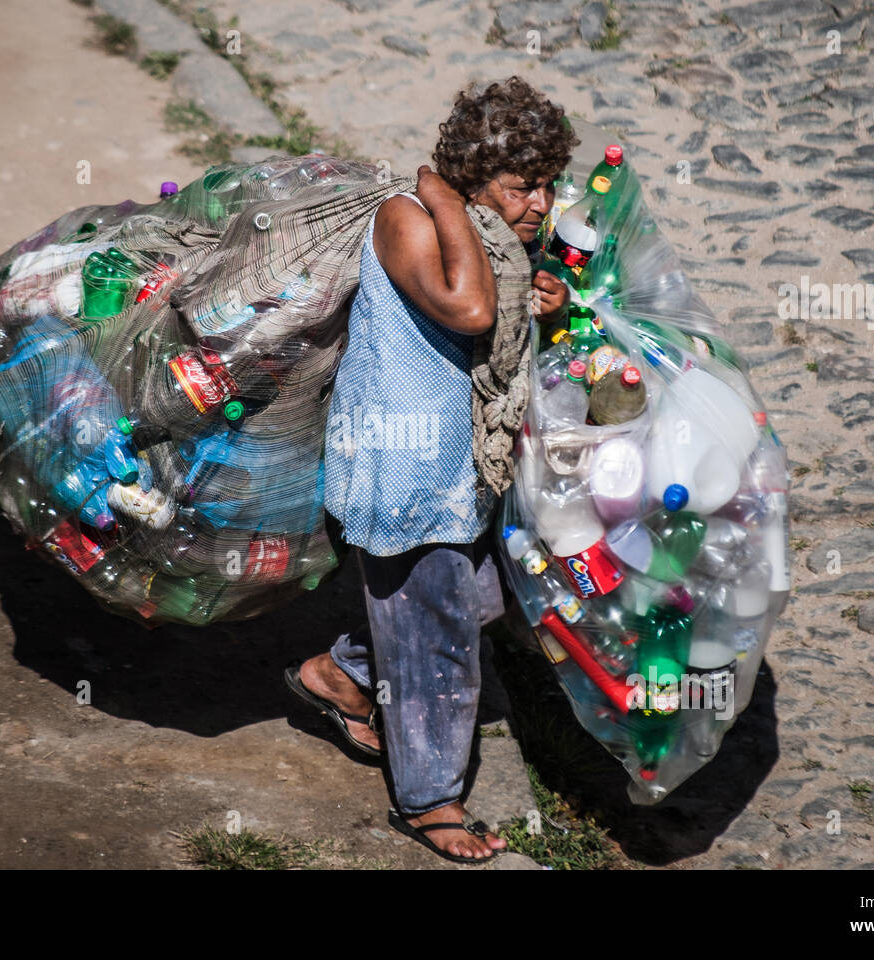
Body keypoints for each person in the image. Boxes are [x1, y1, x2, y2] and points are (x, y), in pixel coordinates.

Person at [286, 76, 580, 863]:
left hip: (457, 475)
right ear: (473, 179)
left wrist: (537, 299)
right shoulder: (408, 217)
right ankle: (430, 801)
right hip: (405, 468)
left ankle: (340, 675)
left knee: (480, 601)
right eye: (523, 187)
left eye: (549, 186)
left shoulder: (490, 239)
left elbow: (496, 306)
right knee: (441, 639)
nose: (540, 205)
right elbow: (471, 309)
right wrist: (440, 196)